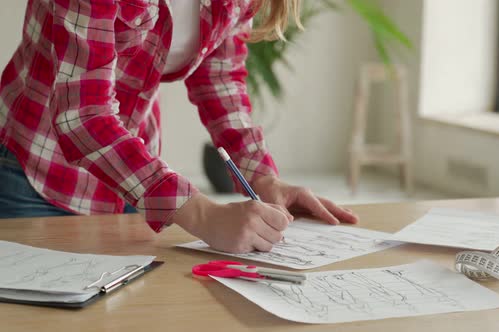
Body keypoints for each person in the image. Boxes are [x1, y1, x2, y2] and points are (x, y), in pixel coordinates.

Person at [0, 0, 358, 253]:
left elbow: (219, 77)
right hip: (36, 170)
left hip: (130, 175)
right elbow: (83, 115)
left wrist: (262, 177)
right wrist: (202, 215)